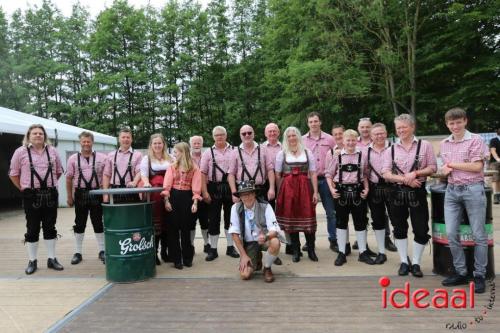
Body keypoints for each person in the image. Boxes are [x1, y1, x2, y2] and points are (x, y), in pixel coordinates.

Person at [381, 114, 437, 277]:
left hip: (418, 192)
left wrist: (416, 173)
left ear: (412, 127)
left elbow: (432, 167)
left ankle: (417, 262)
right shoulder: (390, 149)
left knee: (420, 228)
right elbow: (385, 173)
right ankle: (404, 261)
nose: (401, 130)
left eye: (404, 127)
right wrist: (406, 179)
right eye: (398, 128)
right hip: (396, 193)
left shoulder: (424, 145)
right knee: (399, 228)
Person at [440, 108, 488, 294]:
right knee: (451, 233)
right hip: (452, 191)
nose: (455, 126)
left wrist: (451, 165)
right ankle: (461, 272)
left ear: (465, 121)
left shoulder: (476, 139)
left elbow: (477, 166)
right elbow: (445, 170)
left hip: (473, 190)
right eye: (451, 123)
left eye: (458, 122)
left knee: (479, 235)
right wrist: (444, 171)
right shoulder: (444, 144)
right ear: (447, 124)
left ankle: (479, 275)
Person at [9, 124, 64, 274]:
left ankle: (52, 259)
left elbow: (59, 172)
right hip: (30, 195)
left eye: (40, 133)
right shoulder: (20, 152)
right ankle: (32, 260)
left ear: (44, 136)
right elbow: (13, 173)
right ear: (28, 136)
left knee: (50, 227)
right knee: (32, 228)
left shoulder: (52, 151)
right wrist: (23, 187)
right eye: (35, 133)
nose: (38, 135)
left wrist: (48, 184)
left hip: (51, 194)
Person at [326, 129, 374, 266]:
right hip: (341, 192)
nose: (351, 143)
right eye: (348, 140)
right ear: (343, 141)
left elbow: (365, 174)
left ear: (356, 140)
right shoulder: (337, 156)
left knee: (361, 222)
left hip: (358, 191)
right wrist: (331, 189)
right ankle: (342, 253)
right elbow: (329, 174)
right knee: (341, 223)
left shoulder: (362, 156)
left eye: (353, 140)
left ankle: (363, 252)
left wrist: (367, 188)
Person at [275, 127, 319, 262]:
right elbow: (278, 175)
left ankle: (311, 250)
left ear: (298, 136)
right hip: (288, 188)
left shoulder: (307, 152)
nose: (292, 138)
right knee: (291, 218)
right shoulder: (282, 153)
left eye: (294, 135)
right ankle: (296, 250)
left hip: (305, 187)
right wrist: (279, 193)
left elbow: (313, 173)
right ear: (286, 138)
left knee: (308, 216)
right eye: (289, 136)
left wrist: (315, 192)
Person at [66, 131, 106, 265]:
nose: (86, 144)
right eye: (84, 141)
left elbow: (107, 176)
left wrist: (105, 193)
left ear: (92, 142)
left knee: (98, 222)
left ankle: (102, 251)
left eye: (88, 141)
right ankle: (78, 252)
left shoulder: (102, 157)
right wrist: (69, 196)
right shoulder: (72, 159)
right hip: (80, 194)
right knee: (79, 223)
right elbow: (68, 179)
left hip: (96, 193)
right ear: (80, 142)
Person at [228, 181, 282, 283]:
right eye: (243, 195)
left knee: (275, 242)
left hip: (264, 240)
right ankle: (257, 259)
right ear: (240, 196)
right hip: (248, 244)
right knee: (245, 275)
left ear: (254, 194)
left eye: (249, 193)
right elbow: (234, 234)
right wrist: (243, 255)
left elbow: (275, 230)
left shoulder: (265, 206)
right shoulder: (235, 208)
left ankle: (267, 268)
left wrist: (266, 236)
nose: (247, 197)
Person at [200, 126, 239, 261]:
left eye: (222, 134)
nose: (219, 137)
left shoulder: (235, 150)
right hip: (213, 187)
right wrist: (204, 192)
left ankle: (230, 247)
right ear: (213, 137)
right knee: (214, 219)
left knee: (231, 218)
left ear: (226, 135)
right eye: (217, 135)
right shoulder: (207, 153)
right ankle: (213, 249)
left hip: (230, 187)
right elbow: (203, 173)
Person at [162, 142, 202, 269]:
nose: (174, 154)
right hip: (173, 197)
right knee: (173, 229)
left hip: (187, 197)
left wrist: (195, 203)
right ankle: (176, 259)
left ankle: (187, 257)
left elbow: (196, 187)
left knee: (186, 228)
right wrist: (166, 201)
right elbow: (167, 185)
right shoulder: (172, 167)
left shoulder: (194, 168)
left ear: (183, 152)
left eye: (176, 152)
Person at [302, 112, 338, 252]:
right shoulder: (303, 140)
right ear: (308, 124)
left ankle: (333, 239)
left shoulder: (330, 139)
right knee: (309, 213)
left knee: (331, 212)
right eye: (311, 122)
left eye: (316, 121)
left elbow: (336, 159)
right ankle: (310, 241)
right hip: (309, 181)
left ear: (320, 122)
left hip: (326, 180)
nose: (313, 124)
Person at [140, 133, 174, 265]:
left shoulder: (171, 158)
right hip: (155, 194)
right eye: (155, 143)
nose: (157, 145)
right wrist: (147, 183)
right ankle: (154, 253)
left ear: (163, 144)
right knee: (156, 224)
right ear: (151, 145)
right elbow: (144, 176)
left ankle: (166, 252)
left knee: (168, 223)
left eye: (160, 143)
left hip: (170, 193)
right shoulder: (146, 159)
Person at [365, 124, 395, 264]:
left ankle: (402, 253)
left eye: (382, 133)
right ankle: (381, 252)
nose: (379, 136)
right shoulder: (366, 151)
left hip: (393, 187)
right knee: (378, 220)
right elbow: (364, 172)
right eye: (376, 134)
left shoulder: (395, 148)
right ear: (371, 136)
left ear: (386, 133)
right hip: (375, 189)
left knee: (397, 219)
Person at [228, 125, 275, 203]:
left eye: (249, 133)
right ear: (240, 136)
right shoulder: (235, 152)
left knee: (262, 214)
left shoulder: (263, 149)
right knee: (244, 215)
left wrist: (272, 188)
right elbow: (231, 174)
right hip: (243, 191)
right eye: (244, 134)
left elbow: (270, 170)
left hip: (261, 189)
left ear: (253, 134)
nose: (247, 135)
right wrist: (234, 193)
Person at [102, 128, 142, 203]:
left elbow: (139, 172)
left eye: (128, 137)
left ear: (131, 139)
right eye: (123, 137)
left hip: (132, 190)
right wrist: (105, 194)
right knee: (115, 214)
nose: (125, 139)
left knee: (133, 214)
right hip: (114, 191)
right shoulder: (111, 155)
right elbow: (106, 175)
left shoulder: (138, 155)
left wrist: (134, 182)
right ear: (119, 139)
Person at [189, 136, 210, 255]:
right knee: (191, 221)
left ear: (202, 144)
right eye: (194, 143)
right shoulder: (186, 157)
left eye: (198, 143)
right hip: (190, 192)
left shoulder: (206, 156)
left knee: (205, 220)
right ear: (190, 144)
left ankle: (207, 243)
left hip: (204, 190)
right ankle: (191, 245)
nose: (196, 145)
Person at [489, 128, 500, 204]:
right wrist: (498, 159)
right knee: (496, 178)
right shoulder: (494, 140)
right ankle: (496, 195)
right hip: (495, 162)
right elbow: (493, 151)